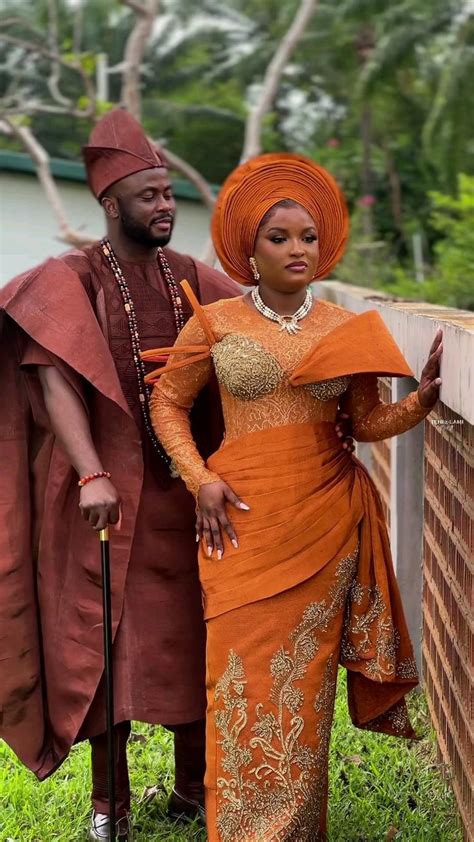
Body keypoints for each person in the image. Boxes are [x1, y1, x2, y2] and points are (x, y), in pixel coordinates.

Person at [147, 153, 443, 841]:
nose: (296, 250)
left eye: (307, 237)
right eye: (279, 238)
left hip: (324, 522)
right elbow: (168, 407)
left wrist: (423, 402)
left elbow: (365, 423)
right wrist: (202, 479)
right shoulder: (215, 324)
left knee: (302, 690)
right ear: (249, 248)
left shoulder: (345, 327)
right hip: (240, 527)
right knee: (237, 686)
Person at [0, 108, 243, 842]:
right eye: (151, 197)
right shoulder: (71, 277)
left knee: (198, 637)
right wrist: (88, 474)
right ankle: (111, 804)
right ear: (111, 205)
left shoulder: (195, 279)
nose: (166, 207)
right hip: (104, 502)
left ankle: (196, 790)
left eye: (169, 195)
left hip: (188, 499)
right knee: (104, 647)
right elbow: (51, 379)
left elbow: (262, 341)